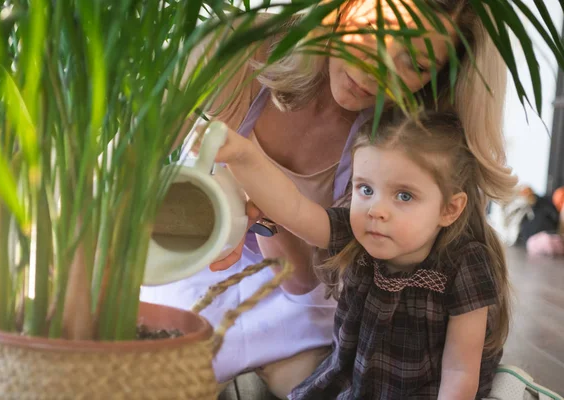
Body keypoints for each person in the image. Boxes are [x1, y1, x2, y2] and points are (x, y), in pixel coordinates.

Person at [141, 0, 516, 397]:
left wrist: (265, 214)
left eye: (416, 65)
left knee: (311, 378)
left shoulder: (395, 149)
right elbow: (126, 181)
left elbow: (302, 277)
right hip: (203, 273)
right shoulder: (234, 50)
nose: (376, 73)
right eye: (373, 35)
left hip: (304, 297)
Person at [215, 109, 514, 399]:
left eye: (404, 196)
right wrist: (243, 157)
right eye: (366, 189)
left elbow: (460, 372)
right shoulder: (358, 233)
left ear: (449, 209)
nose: (376, 210)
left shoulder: (465, 262)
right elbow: (293, 209)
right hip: (356, 383)